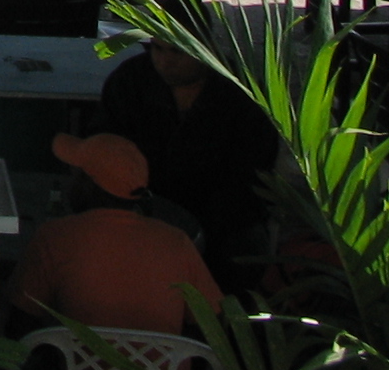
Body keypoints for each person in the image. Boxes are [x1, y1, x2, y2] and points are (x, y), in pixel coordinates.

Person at [100, 37, 281, 285]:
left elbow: (252, 176)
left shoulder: (240, 91)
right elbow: (106, 146)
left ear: (204, 48)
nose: (165, 61)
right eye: (157, 49)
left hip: (222, 219)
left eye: (177, 52)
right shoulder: (131, 80)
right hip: (141, 209)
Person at [6, 132, 222, 335]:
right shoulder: (177, 242)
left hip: (76, 364)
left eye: (76, 174)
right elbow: (214, 324)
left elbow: (20, 322)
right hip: (162, 365)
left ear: (88, 184)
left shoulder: (54, 236)